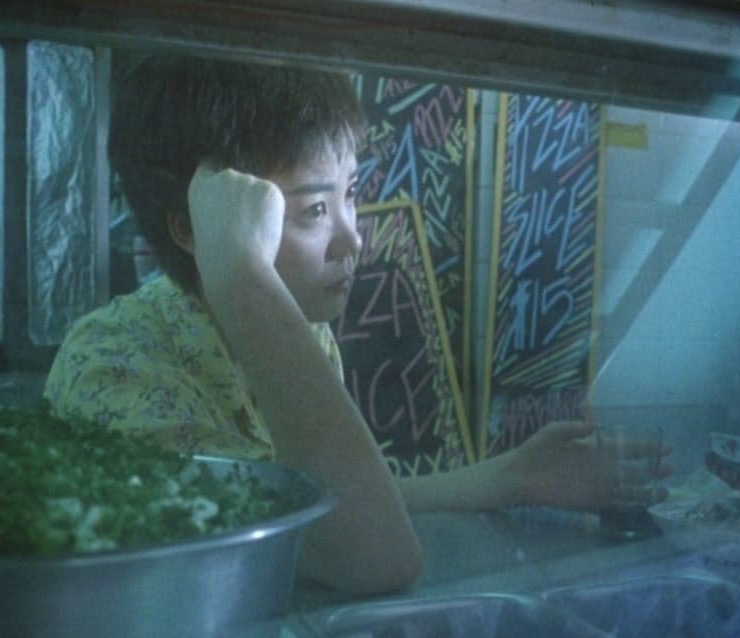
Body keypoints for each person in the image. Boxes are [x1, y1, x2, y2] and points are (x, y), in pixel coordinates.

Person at [44, 52, 667, 596]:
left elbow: (326, 499)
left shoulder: (299, 329)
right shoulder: (112, 366)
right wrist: (238, 271)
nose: (354, 239)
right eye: (314, 209)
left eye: (350, 194)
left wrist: (511, 478)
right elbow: (372, 554)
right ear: (193, 227)